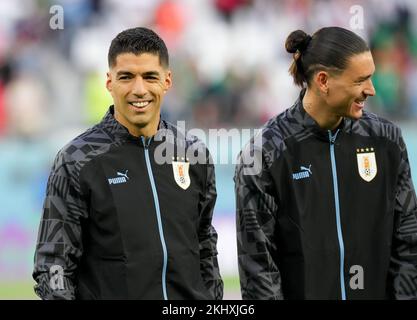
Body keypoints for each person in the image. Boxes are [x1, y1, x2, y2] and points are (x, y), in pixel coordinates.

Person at [33, 27, 223, 300]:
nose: (139, 89)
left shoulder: (194, 154)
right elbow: (53, 266)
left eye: (149, 77)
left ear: (167, 81)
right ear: (109, 82)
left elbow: (205, 245)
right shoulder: (76, 160)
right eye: (126, 77)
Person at [235, 26, 417, 300]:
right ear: (323, 80)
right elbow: (259, 269)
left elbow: (408, 244)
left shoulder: (387, 141)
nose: (371, 90)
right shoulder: (265, 154)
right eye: (360, 80)